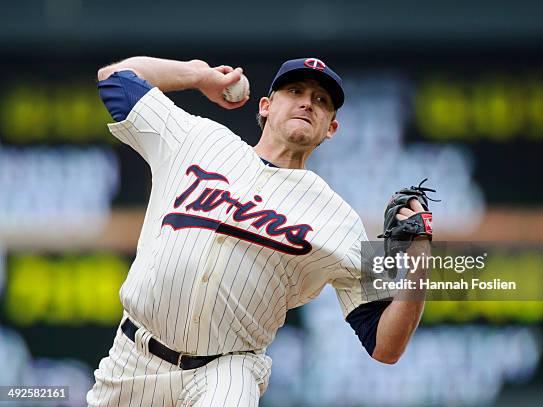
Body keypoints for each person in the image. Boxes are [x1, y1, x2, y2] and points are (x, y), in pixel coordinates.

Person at [88, 56, 428, 406]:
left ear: (331, 128)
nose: (307, 102)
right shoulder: (197, 138)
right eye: (295, 91)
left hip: (226, 370)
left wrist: (420, 254)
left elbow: (386, 346)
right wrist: (197, 75)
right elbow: (113, 78)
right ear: (265, 106)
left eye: (321, 100)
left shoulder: (342, 221)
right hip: (133, 358)